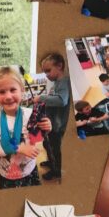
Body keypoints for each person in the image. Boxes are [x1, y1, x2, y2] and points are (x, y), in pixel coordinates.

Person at [0, 66, 51, 189]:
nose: (8, 96)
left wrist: (46, 129)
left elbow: (38, 137)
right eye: (2, 92)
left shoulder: (30, 114)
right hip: (6, 174)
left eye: (13, 90)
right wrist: (18, 148)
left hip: (30, 170)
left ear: (22, 91)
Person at [39, 52, 70, 181]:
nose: (46, 74)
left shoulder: (63, 82)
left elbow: (62, 100)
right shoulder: (57, 82)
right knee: (48, 144)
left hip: (57, 126)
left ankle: (56, 171)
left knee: (54, 148)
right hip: (53, 123)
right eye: (44, 72)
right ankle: (52, 162)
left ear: (59, 66)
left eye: (48, 70)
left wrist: (41, 98)